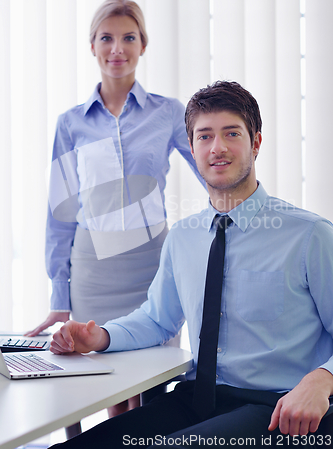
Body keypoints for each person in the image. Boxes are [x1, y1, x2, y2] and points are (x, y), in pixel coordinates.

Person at [49, 80, 333, 448]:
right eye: (204, 136)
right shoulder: (183, 238)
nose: (218, 147)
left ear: (256, 143)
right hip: (196, 400)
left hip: (274, 407)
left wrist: (323, 379)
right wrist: (99, 336)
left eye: (231, 133)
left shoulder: (309, 235)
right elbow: (156, 319)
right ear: (192, 147)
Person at [26, 0, 204, 415]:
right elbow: (60, 213)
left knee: (153, 377)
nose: (117, 48)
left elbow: (210, 173)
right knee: (109, 387)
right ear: (92, 46)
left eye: (129, 37)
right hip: (94, 269)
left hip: (152, 265)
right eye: (107, 38)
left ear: (144, 44)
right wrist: (59, 292)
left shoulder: (169, 112)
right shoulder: (71, 123)